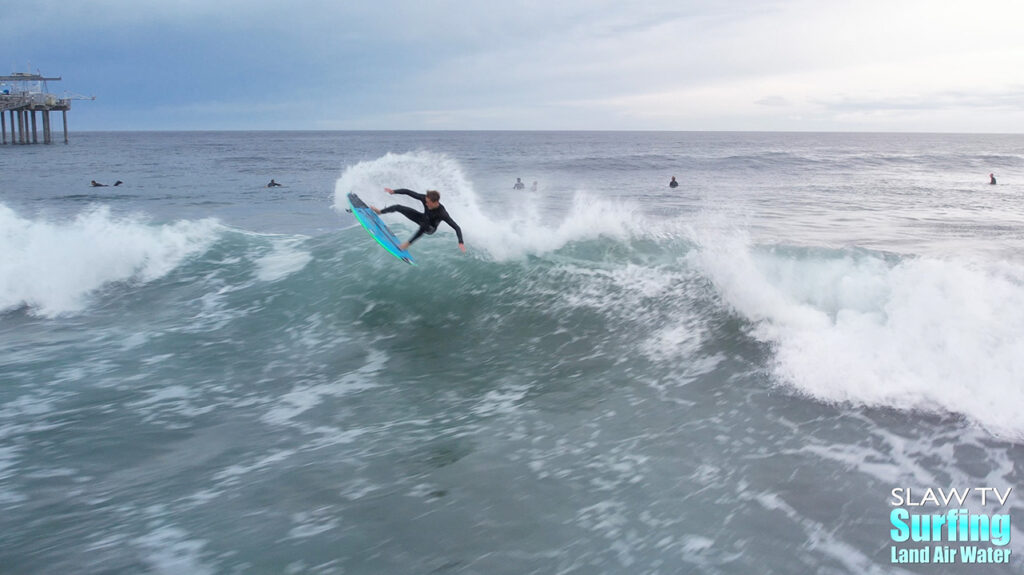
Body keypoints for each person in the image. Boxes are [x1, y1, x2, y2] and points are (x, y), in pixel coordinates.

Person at [372, 188, 466, 252]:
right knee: (399, 207)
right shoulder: (425, 199)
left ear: (436, 202)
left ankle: (407, 244)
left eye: (428, 203)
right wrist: (394, 191)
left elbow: (456, 227)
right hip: (422, 218)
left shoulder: (442, 213)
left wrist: (460, 242)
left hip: (430, 228)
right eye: (426, 201)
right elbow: (409, 192)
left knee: (424, 225)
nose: (426, 204)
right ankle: (380, 212)